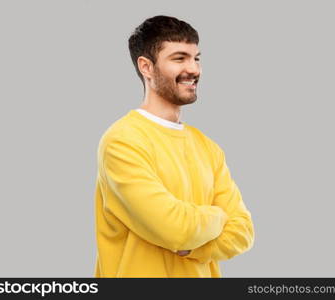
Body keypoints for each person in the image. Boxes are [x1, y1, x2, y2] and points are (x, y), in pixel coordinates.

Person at [94, 15, 255, 277]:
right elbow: (176, 228)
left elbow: (243, 232)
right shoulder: (122, 141)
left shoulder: (208, 147)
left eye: (196, 58)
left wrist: (193, 246)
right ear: (146, 67)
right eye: (179, 58)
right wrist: (217, 215)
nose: (194, 69)